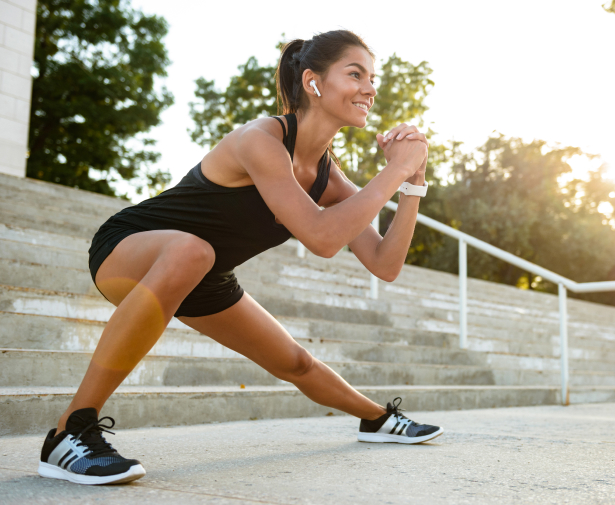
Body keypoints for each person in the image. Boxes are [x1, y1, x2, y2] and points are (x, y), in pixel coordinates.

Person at [38, 30, 443, 486]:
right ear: (313, 82)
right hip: (130, 247)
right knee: (193, 250)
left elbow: (385, 264)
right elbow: (321, 238)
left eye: (373, 78)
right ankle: (69, 433)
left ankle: (379, 420)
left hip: (202, 272)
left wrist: (413, 184)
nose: (370, 88)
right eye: (356, 74)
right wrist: (394, 169)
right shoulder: (261, 139)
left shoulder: (328, 177)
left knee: (296, 362)